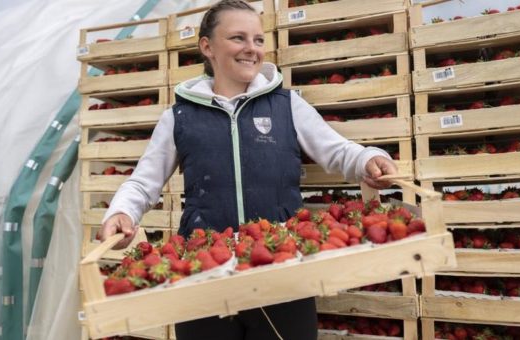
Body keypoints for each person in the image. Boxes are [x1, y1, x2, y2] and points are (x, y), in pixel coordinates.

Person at [97, 1, 398, 339]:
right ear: (207, 47)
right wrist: (122, 211)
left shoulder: (286, 105)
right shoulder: (179, 117)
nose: (251, 49)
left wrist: (367, 159)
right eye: (238, 38)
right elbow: (143, 183)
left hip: (284, 266)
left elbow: (338, 150)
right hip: (203, 271)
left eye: (257, 39)